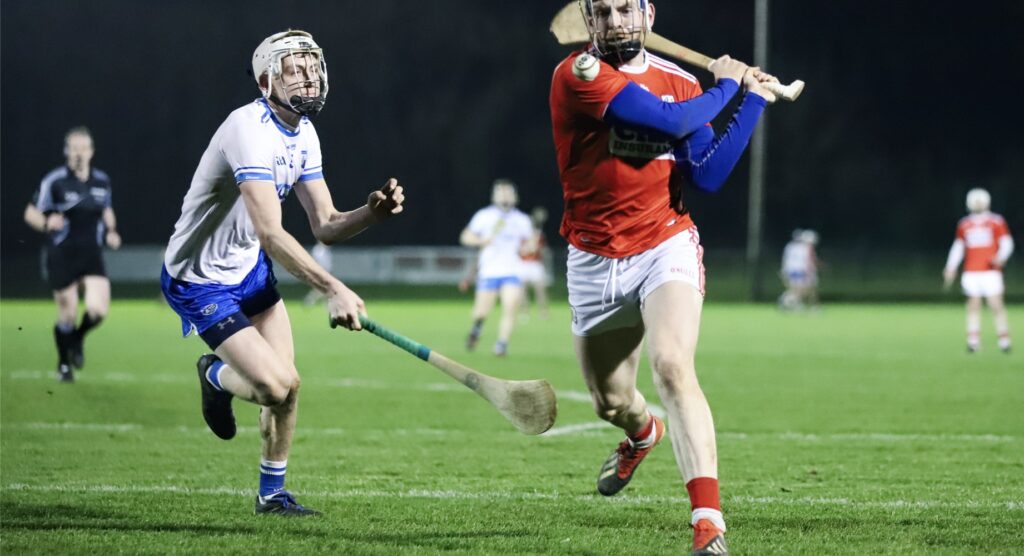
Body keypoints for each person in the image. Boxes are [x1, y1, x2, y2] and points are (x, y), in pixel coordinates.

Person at [550, 1, 777, 553]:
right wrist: (726, 87)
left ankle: (708, 523)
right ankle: (643, 433)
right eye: (601, 12)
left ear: (649, 14)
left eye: (626, 8)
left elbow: (708, 175)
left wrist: (754, 101)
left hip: (664, 243)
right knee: (611, 401)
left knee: (673, 366)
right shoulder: (579, 74)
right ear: (591, 22)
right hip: (593, 257)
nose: (614, 20)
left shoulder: (678, 80)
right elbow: (669, 122)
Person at [160, 30, 405, 517]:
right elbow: (271, 233)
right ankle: (214, 375)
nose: (309, 76)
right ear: (266, 78)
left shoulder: (305, 133)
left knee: (289, 385)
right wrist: (333, 287)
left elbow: (326, 225)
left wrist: (370, 215)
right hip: (200, 278)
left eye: (313, 66)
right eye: (295, 68)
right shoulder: (246, 129)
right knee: (272, 386)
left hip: (248, 271)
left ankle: (271, 495)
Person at [24, 127, 122, 383]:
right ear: (67, 152)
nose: (79, 153)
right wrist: (46, 223)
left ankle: (77, 338)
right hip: (62, 254)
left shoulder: (102, 180)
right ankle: (64, 363)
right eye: (74, 148)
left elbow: (107, 209)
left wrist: (111, 231)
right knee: (66, 313)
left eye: (83, 148)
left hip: (91, 254)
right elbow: (31, 213)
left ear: (91, 152)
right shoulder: (55, 181)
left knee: (98, 310)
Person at [459, 179, 533, 356]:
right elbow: (465, 237)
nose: (505, 196)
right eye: (501, 192)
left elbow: (530, 243)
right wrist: (481, 240)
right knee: (481, 312)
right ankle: (477, 328)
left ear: (515, 197)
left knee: (510, 307)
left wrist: (528, 247)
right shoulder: (484, 216)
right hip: (489, 271)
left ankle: (501, 344)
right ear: (494, 196)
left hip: (512, 271)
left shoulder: (521, 219)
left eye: (509, 193)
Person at [943, 188, 1014, 353]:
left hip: (990, 271)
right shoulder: (964, 224)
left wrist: (1001, 257)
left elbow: (1007, 243)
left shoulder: (996, 221)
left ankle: (1004, 341)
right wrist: (950, 267)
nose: (978, 203)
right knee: (973, 305)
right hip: (971, 271)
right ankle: (973, 341)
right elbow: (958, 247)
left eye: (980, 200)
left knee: (996, 304)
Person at [518, 207, 553, 321]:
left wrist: (537, 247)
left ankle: (543, 312)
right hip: (523, 263)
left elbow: (542, 250)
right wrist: (527, 247)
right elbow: (520, 250)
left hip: (535, 264)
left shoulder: (539, 235)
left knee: (540, 290)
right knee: (523, 290)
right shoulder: (522, 235)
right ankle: (524, 312)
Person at [778, 229, 820, 311]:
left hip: (791, 270)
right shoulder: (803, 247)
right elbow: (807, 260)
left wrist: (784, 270)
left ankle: (792, 303)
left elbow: (786, 259)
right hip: (799, 270)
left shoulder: (789, 246)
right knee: (801, 290)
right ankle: (786, 302)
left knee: (797, 289)